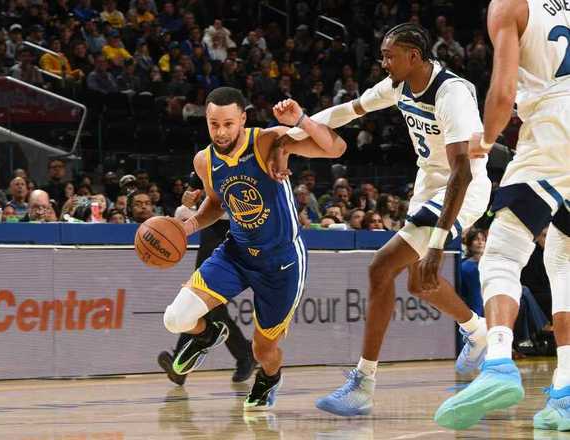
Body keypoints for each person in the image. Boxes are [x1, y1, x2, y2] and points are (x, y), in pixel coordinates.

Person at [275, 23, 491, 416]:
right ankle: (477, 331)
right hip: (429, 183)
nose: (383, 62)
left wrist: (438, 243)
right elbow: (347, 111)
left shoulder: (452, 93)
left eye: (390, 56)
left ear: (414, 56)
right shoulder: (398, 86)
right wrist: (298, 127)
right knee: (418, 282)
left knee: (381, 267)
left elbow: (461, 170)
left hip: (464, 186)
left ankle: (364, 382)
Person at [162, 87, 345, 410]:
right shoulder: (204, 161)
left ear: (243, 119)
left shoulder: (267, 140)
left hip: (281, 262)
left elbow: (336, 148)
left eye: (228, 124)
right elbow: (216, 204)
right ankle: (207, 335)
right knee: (175, 318)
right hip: (236, 253)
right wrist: (189, 226)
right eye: (214, 124)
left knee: (263, 350)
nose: (220, 132)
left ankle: (269, 378)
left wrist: (301, 119)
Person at [435, 0, 570, 430]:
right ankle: (566, 390)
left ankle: (497, 363)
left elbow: (503, 91)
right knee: (562, 259)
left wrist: (486, 138)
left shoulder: (510, 5)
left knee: (502, 254)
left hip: (555, 128)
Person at [157, 179, 256, 386]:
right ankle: (242, 354)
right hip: (210, 227)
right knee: (198, 301)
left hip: (234, 229)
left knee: (207, 303)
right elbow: (189, 196)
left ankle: (244, 354)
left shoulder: (245, 166)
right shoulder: (204, 164)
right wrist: (188, 199)